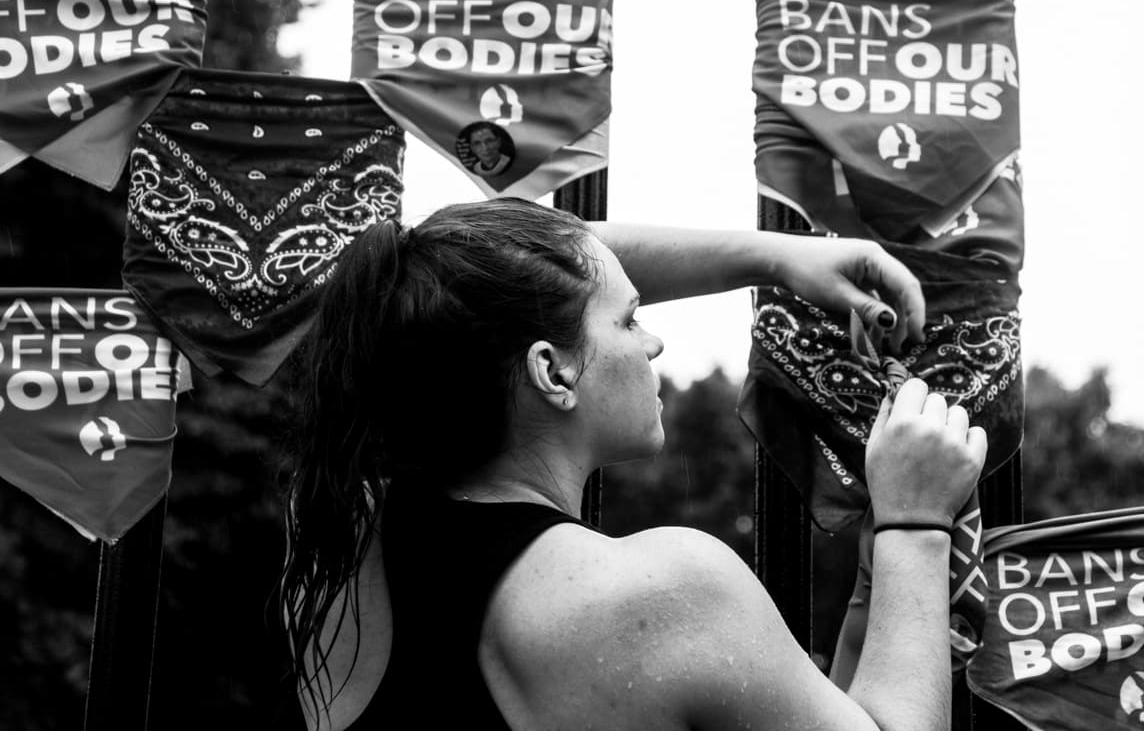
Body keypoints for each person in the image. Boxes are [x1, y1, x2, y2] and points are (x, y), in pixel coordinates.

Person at [280, 198, 986, 731]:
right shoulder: (662, 595)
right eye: (627, 319)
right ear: (550, 373)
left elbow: (440, 277)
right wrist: (915, 523)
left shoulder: (341, 536)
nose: (652, 345)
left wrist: (777, 261)